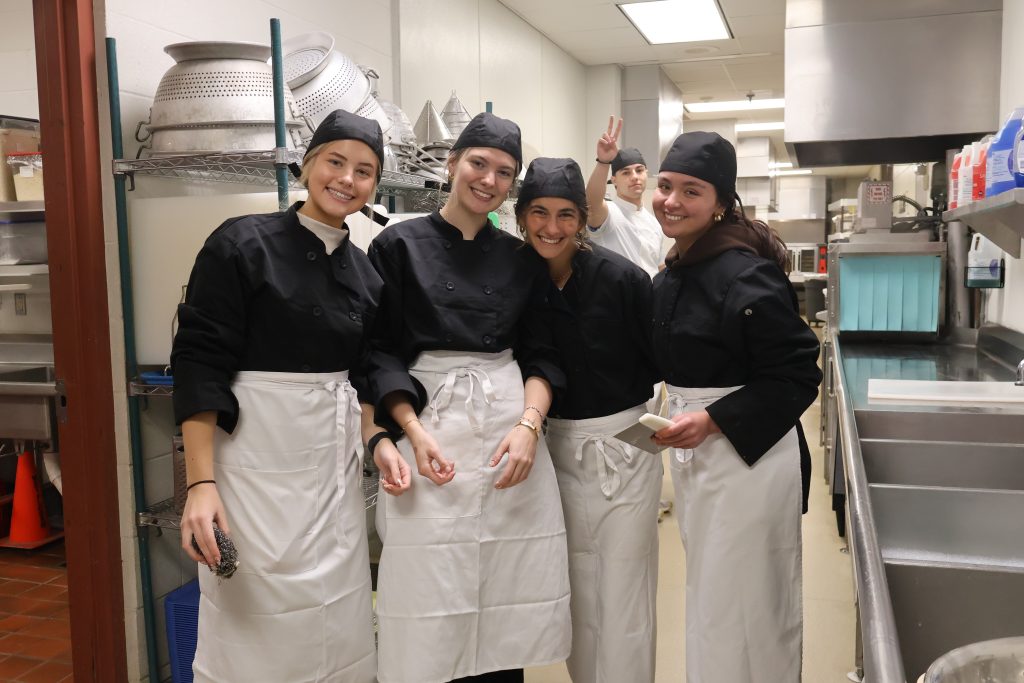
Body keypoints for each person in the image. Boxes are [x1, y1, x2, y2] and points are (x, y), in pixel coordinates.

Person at [172, 110, 410, 683]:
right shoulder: (241, 243)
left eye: (365, 171)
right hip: (251, 467)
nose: (347, 180)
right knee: (254, 608)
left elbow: (365, 375)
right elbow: (199, 362)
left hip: (330, 474)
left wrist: (378, 440)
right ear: (307, 163)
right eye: (336, 162)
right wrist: (200, 485)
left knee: (337, 609)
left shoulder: (365, 274)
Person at [367, 113, 571, 683]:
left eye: (505, 172)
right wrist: (412, 430)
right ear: (452, 164)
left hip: (506, 426)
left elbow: (542, 355)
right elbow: (379, 352)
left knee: (505, 576)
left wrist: (529, 427)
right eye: (478, 163)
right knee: (430, 577)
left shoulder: (521, 257)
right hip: (428, 428)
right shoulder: (396, 246)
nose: (489, 180)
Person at [648, 131, 822, 683]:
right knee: (713, 597)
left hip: (751, 460)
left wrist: (714, 419)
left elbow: (797, 373)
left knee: (748, 606)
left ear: (720, 202)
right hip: (702, 454)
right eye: (666, 186)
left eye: (691, 191)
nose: (671, 201)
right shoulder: (677, 266)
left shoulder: (744, 273)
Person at [515, 157, 662, 683]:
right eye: (538, 213)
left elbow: (662, 365)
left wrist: (651, 437)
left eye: (565, 215)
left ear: (582, 219)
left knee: (625, 589)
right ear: (521, 216)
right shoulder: (518, 280)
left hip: (625, 444)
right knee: (575, 586)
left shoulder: (622, 279)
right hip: (556, 449)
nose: (550, 228)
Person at [585, 116, 664, 278]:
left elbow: (656, 265)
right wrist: (603, 162)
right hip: (617, 299)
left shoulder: (654, 223)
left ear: (646, 174)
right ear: (614, 180)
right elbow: (591, 206)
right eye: (626, 172)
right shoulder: (610, 213)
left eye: (639, 170)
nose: (635, 177)